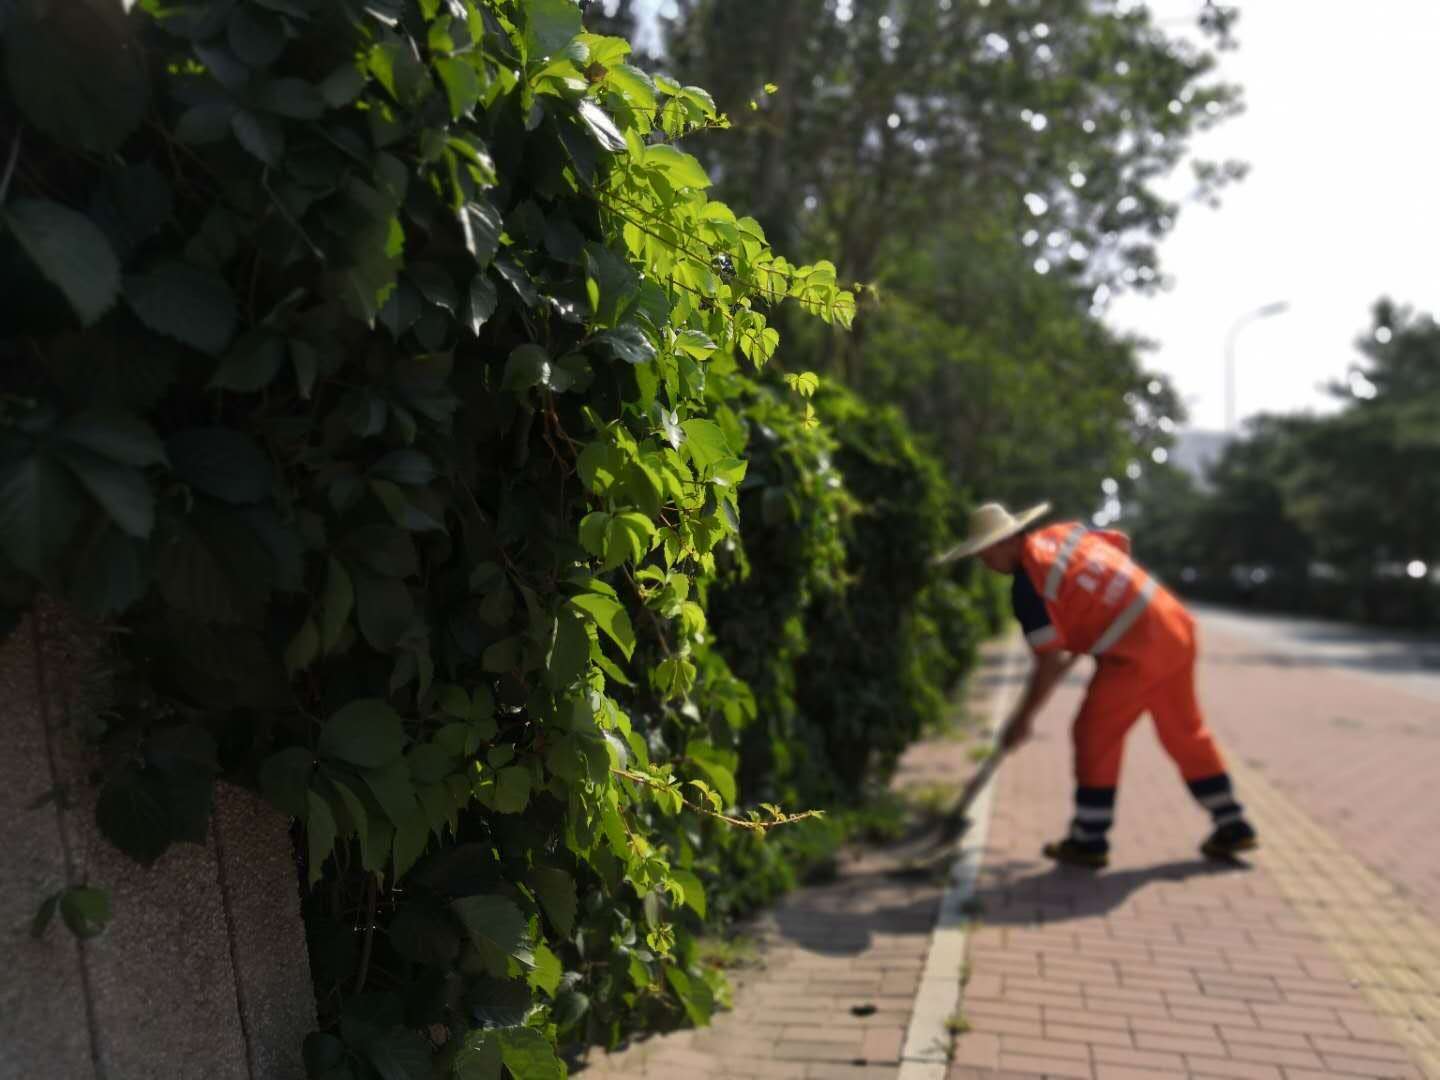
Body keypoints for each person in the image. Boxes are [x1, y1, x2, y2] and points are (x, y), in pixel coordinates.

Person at [943, 500, 1259, 868]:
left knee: (1094, 735)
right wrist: (1092, 614)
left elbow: (1047, 665)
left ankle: (1089, 840)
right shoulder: (1061, 535)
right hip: (1174, 625)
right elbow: (1118, 544)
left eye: (984, 555)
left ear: (1005, 542)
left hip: (1136, 653)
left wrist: (1022, 719)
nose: (985, 564)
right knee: (1185, 732)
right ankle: (1233, 824)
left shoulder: (1028, 589)